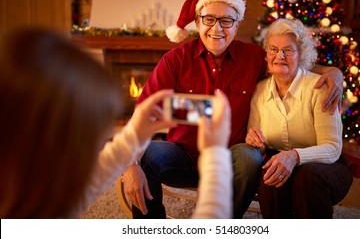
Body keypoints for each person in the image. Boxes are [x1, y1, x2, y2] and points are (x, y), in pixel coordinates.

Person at [122, 0, 344, 219]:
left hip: (232, 163)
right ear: (197, 22)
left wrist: (332, 72)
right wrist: (132, 165)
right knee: (147, 155)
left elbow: (287, 61)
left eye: (226, 20)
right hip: (184, 158)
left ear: (237, 26)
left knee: (250, 156)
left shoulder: (253, 57)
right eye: (209, 19)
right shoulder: (174, 60)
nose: (217, 28)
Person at [0, 28, 232, 219]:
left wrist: (133, 135)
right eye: (89, 142)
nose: (93, 156)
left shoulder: (33, 203)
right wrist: (215, 153)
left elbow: (83, 190)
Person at [245, 18, 353, 218]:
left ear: (301, 54)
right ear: (266, 54)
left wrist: (294, 156)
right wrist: (254, 141)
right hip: (283, 164)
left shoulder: (319, 88)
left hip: (327, 168)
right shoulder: (259, 91)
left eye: (288, 50)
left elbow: (332, 148)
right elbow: (257, 143)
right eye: (273, 49)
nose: (280, 56)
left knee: (307, 177)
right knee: (271, 177)